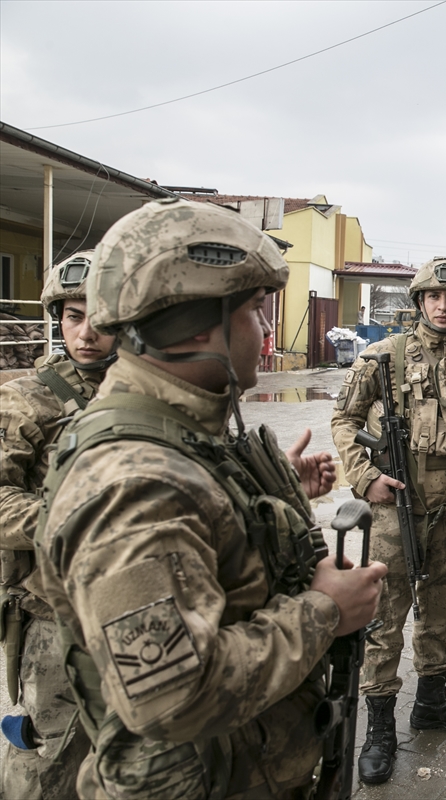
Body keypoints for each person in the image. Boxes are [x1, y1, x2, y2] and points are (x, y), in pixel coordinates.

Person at [33, 198, 387, 798]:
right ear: (196, 324)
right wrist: (325, 611)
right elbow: (171, 698)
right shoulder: (135, 485)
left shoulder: (189, 436)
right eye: (254, 310)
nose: (268, 331)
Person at [331, 256, 446, 785]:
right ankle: (380, 728)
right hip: (395, 508)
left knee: (442, 610)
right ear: (419, 302)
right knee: (384, 619)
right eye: (433, 296)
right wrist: (365, 479)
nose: (443, 304)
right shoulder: (381, 358)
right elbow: (343, 419)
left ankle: (431, 703)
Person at [0, 251, 117, 799]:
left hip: (135, 606)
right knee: (46, 766)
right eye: (74, 316)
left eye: (101, 316)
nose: (87, 331)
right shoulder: (26, 397)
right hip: (54, 617)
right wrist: (61, 519)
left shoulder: (149, 391)